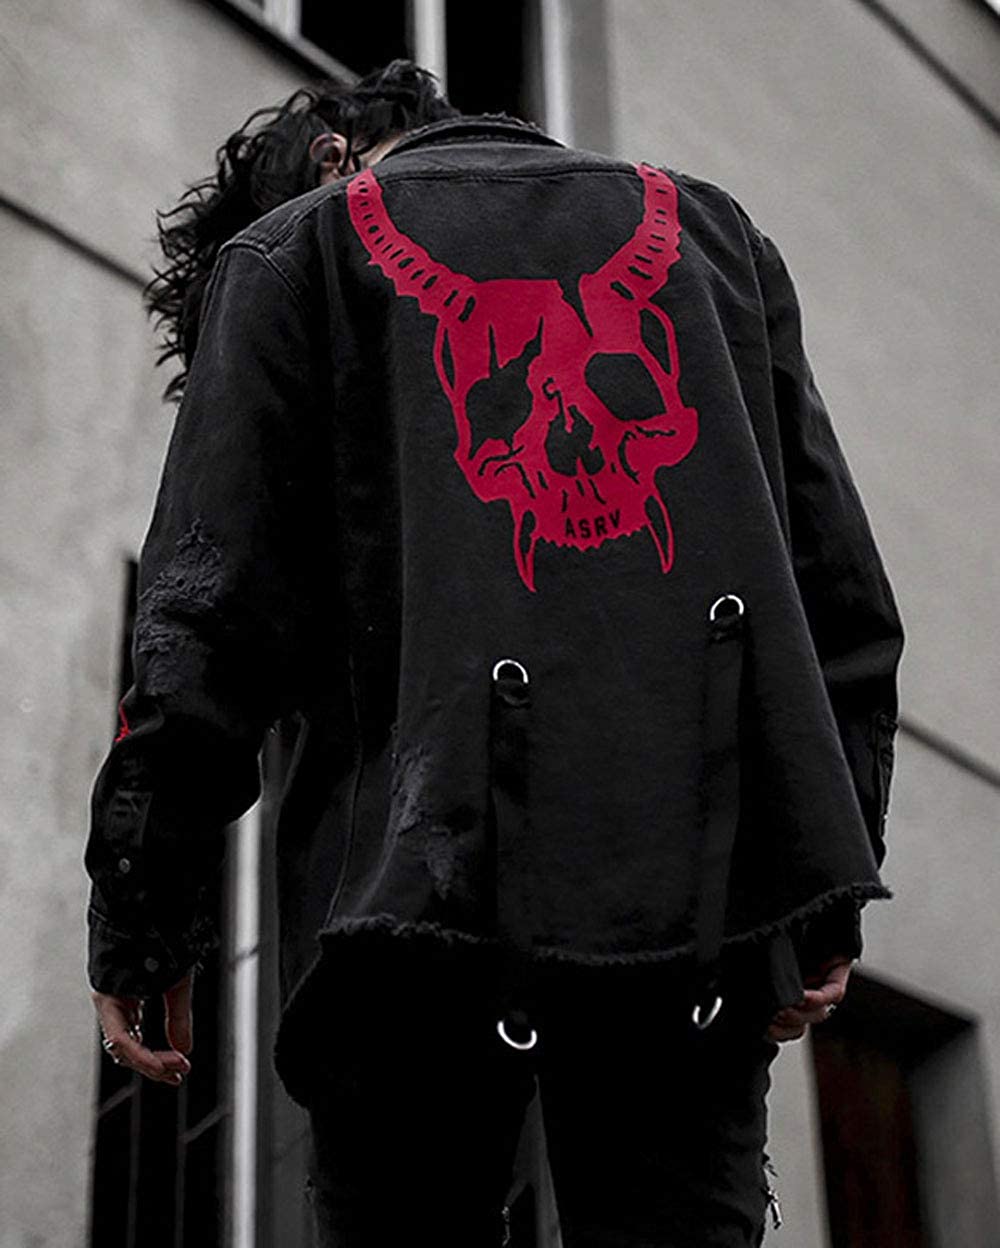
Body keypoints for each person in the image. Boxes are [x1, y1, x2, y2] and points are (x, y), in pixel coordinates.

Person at [85, 59, 904, 1246]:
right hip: (690, 914)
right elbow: (842, 605)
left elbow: (202, 623)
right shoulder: (714, 238)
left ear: (331, 159)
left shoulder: (296, 252)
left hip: (404, 921)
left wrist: (142, 910)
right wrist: (824, 879)